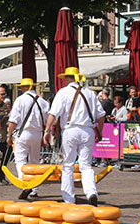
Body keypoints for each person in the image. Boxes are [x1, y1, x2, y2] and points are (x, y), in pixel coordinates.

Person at [44, 67, 105, 205]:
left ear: (68, 78)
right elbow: (101, 115)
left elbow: (53, 114)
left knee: (68, 166)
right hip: (87, 131)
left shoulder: (63, 92)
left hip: (70, 130)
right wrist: (99, 132)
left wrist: (47, 131)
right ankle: (91, 192)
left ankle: (69, 199)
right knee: (86, 166)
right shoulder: (90, 93)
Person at [7, 78, 50, 200]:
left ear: (26, 87)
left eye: (22, 87)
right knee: (35, 161)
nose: (21, 89)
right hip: (37, 134)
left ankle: (25, 183)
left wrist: (9, 135)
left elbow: (13, 120)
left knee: (20, 160)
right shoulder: (42, 101)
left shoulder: (20, 100)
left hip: (23, 133)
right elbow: (48, 120)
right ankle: (34, 189)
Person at [0, 85, 12, 184]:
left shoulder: (4, 105)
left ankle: (1, 175)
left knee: (7, 155)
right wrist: (5, 116)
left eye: (4, 94)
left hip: (3, 136)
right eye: (2, 94)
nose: (3, 96)